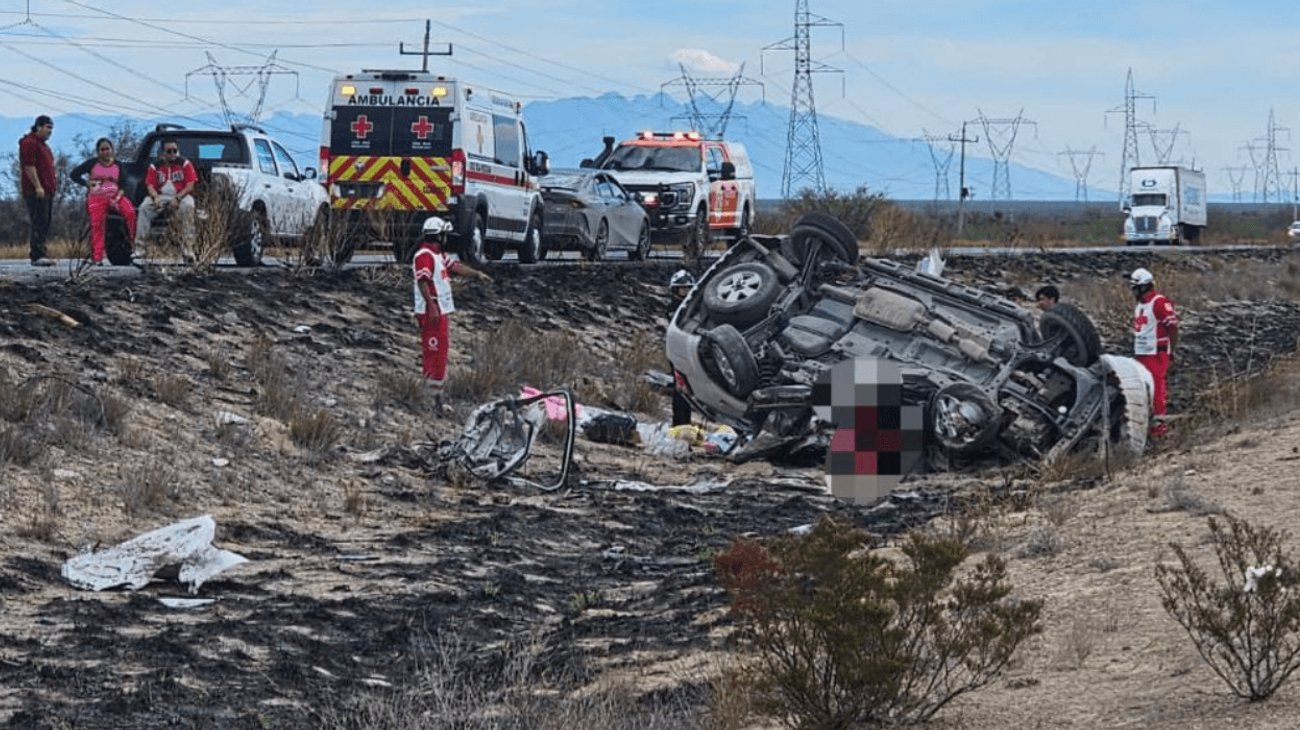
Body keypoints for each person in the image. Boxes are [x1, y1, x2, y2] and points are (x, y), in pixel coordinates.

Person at [412, 216, 491, 397]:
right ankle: (431, 395)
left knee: (441, 352)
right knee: (434, 353)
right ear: (438, 236)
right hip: (431, 312)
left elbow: (455, 266)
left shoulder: (437, 255)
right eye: (444, 235)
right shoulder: (424, 256)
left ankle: (436, 392)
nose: (446, 238)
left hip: (441, 310)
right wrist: (431, 306)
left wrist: (477, 274)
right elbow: (422, 281)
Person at [70, 137, 137, 265]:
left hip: (115, 196)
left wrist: (118, 197)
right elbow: (74, 174)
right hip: (96, 198)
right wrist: (86, 183)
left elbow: (123, 184)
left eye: (107, 149)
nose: (105, 152)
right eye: (102, 149)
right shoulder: (92, 163)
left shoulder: (118, 165)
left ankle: (134, 245)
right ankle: (97, 257)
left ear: (112, 150)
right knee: (97, 224)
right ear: (98, 152)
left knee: (130, 213)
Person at [1130, 267, 1179, 437]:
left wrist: (1171, 350)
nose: (1133, 291)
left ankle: (1159, 427)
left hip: (1156, 353)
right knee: (1143, 390)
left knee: (1157, 390)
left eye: (1135, 288)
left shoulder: (1159, 302)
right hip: (1142, 353)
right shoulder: (1141, 305)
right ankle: (1147, 425)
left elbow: (1172, 327)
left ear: (1143, 287)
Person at [134, 138, 198, 258]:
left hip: (181, 195)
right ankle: (140, 248)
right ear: (163, 153)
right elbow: (150, 185)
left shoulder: (185, 164)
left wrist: (178, 198)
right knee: (144, 207)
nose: (173, 154)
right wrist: (155, 197)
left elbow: (190, 185)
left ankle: (188, 249)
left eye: (175, 150)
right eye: (169, 151)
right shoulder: (154, 166)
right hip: (161, 195)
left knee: (189, 206)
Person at [19, 114, 57, 266]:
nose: (50, 131)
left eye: (51, 128)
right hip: (36, 191)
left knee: (45, 221)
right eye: (48, 128)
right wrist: (38, 186)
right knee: (39, 221)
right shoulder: (29, 143)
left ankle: (42, 251)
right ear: (39, 127)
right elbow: (29, 166)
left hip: (48, 190)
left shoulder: (43, 145)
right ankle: (37, 254)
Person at [668, 269, 696, 427]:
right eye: (682, 288)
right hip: (677, 353)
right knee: (680, 389)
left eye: (687, 288)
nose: (685, 292)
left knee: (688, 390)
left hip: (688, 352)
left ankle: (686, 422)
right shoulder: (675, 309)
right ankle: (679, 422)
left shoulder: (689, 308)